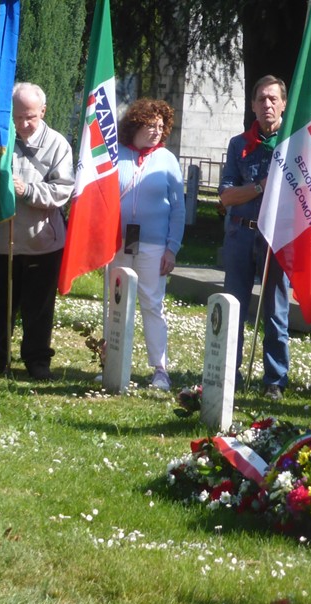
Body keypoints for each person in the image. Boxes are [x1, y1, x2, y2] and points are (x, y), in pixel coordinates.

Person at [0, 81, 74, 380]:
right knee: (0, 304)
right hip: (3, 240)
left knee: (38, 308)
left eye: (30, 117)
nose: (24, 123)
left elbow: (63, 190)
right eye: (17, 117)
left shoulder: (58, 144)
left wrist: (28, 190)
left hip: (42, 242)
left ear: (43, 111)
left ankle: (37, 360)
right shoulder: (0, 140)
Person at [219, 75, 289, 400]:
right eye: (261, 99)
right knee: (234, 306)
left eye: (273, 99)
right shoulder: (239, 145)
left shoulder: (293, 146)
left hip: (276, 238)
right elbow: (226, 196)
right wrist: (261, 186)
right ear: (252, 105)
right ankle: (228, 373)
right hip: (241, 236)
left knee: (275, 311)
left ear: (284, 104)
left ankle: (274, 380)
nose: (267, 105)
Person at [113, 99, 185, 391]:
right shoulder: (116, 154)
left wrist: (172, 248)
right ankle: (114, 362)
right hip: (118, 243)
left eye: (160, 126)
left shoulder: (167, 159)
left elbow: (178, 209)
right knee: (117, 302)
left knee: (152, 304)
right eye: (150, 126)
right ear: (134, 126)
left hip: (154, 245)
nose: (156, 131)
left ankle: (160, 370)